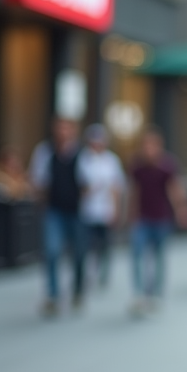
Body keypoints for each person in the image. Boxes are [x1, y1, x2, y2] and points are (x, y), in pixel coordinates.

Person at [128, 127, 187, 315]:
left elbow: (175, 189)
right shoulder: (137, 166)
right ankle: (139, 293)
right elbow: (134, 191)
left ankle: (156, 292)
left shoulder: (167, 165)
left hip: (161, 218)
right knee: (138, 255)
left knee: (158, 257)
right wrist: (129, 214)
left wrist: (183, 209)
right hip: (142, 218)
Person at [30, 118, 86, 315]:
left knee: (79, 253)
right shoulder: (45, 152)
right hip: (54, 211)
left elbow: (88, 183)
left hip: (77, 212)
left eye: (67, 129)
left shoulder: (83, 154)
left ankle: (78, 290)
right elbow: (38, 181)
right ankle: (53, 295)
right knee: (52, 251)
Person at [77, 124, 126, 289]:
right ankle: (86, 274)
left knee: (105, 245)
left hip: (105, 210)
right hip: (86, 211)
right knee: (85, 245)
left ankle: (103, 274)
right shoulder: (83, 159)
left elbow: (116, 187)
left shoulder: (111, 160)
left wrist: (116, 210)